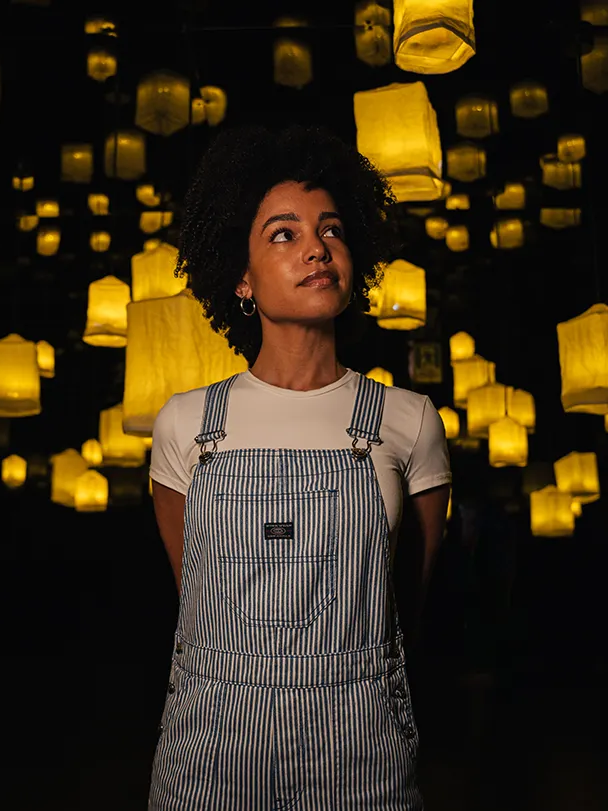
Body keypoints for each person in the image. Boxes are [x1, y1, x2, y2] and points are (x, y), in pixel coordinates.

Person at [147, 124, 451, 810]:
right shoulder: (186, 425)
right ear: (243, 278)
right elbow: (191, 594)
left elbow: (411, 603)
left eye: (332, 229)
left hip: (364, 752)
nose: (317, 247)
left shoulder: (409, 421)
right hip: (210, 752)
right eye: (284, 233)